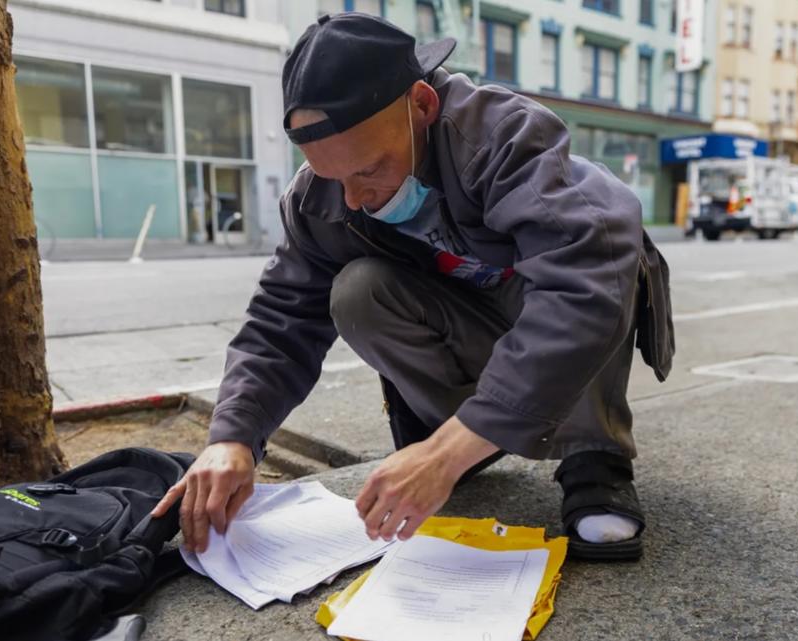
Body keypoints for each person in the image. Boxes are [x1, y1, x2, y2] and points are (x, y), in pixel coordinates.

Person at [151, 12, 673, 562]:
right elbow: (280, 322)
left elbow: (583, 280)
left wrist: (443, 454)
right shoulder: (319, 199)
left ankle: (593, 458)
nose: (353, 199)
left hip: (540, 305)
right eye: (334, 177)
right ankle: (466, 440)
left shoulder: (505, 136)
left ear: (421, 105)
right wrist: (233, 437)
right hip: (467, 318)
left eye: (369, 169)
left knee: (592, 272)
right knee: (358, 290)